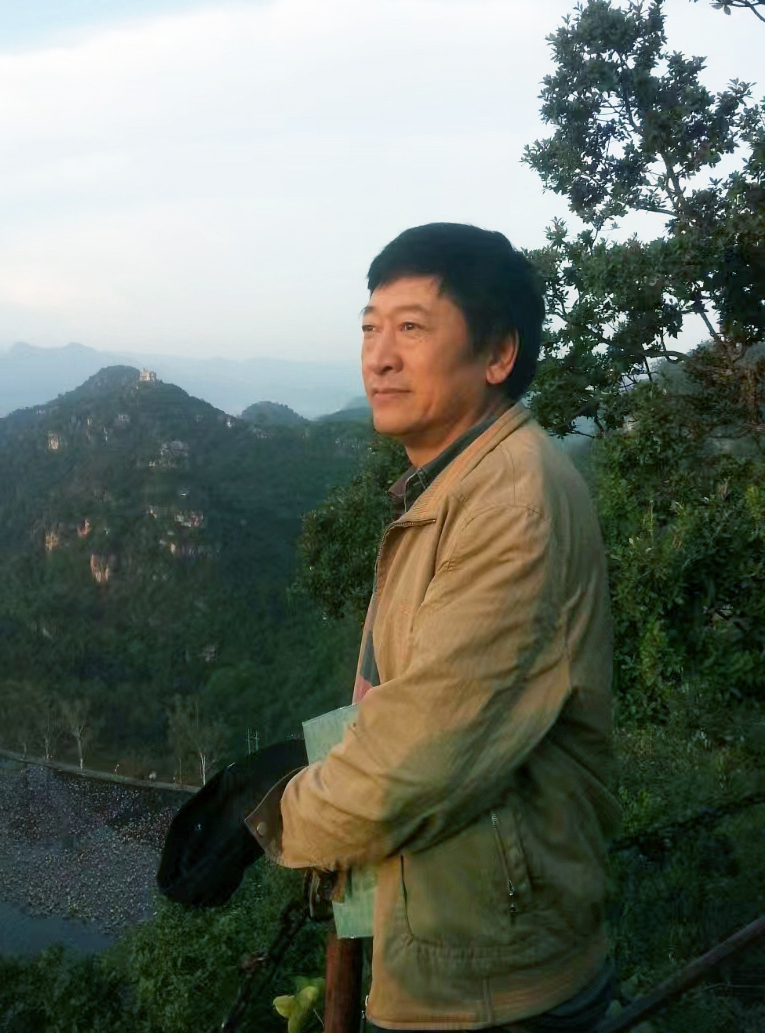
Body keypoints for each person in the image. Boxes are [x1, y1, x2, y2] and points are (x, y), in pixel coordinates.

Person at [247, 223, 621, 1031]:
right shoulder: (458, 483)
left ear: (497, 354)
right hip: (462, 953)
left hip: (491, 987)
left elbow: (420, 756)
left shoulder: (509, 506)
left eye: (411, 327)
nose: (378, 357)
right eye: (369, 328)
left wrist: (278, 819)